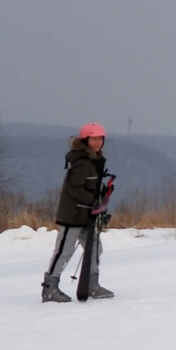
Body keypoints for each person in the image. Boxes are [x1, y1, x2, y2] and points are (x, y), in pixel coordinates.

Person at [41, 123, 114, 302]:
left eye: (100, 139)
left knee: (95, 248)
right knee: (64, 251)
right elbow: (75, 188)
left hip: (87, 215)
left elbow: (90, 186)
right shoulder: (81, 162)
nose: (98, 142)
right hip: (73, 215)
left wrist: (103, 194)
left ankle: (91, 284)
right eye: (94, 138)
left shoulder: (94, 160)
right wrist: (93, 202)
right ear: (85, 140)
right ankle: (50, 287)